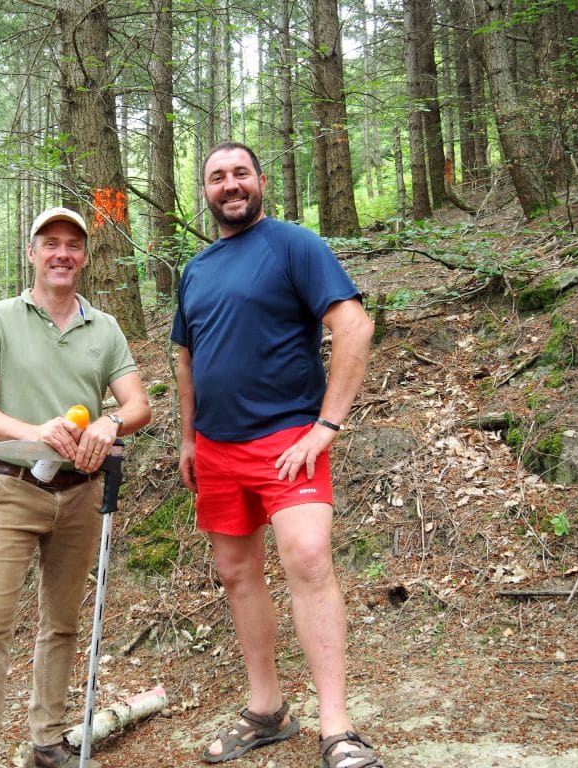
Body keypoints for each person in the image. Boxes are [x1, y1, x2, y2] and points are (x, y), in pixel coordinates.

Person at [171, 142, 383, 768]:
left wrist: (327, 426)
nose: (229, 185)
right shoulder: (197, 269)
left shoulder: (294, 244)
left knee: (310, 556)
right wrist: (187, 437)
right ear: (204, 192)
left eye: (240, 173)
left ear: (260, 181)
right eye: (216, 177)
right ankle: (267, 710)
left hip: (288, 439)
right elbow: (185, 355)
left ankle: (337, 727)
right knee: (237, 575)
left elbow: (354, 325)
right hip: (215, 446)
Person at [0, 206, 152, 768]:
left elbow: (138, 403)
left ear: (84, 257)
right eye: (51, 243)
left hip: (83, 493)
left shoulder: (104, 326)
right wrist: (34, 430)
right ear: (33, 252)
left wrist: (112, 422)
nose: (62, 253)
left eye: (73, 244)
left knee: (63, 623)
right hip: (12, 489)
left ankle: (48, 739)